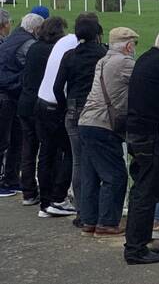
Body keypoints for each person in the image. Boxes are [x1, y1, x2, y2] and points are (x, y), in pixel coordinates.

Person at [123, 28, 159, 265]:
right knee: (146, 192)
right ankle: (136, 248)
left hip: (135, 132)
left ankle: (137, 241)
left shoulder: (145, 59)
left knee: (140, 190)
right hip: (149, 135)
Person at [76, 26, 138, 236]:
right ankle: (107, 223)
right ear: (129, 46)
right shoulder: (125, 63)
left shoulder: (102, 61)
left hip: (86, 121)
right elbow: (143, 82)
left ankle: (89, 220)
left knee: (91, 175)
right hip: (103, 124)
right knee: (115, 175)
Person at [37, 12, 98, 224]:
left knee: (47, 153)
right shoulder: (80, 48)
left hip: (42, 101)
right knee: (73, 157)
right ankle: (58, 199)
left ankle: (46, 202)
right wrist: (64, 108)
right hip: (58, 105)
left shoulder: (65, 43)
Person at [52, 14, 107, 224]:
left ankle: (82, 212)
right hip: (96, 111)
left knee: (78, 162)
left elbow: (58, 88)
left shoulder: (69, 56)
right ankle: (97, 211)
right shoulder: (102, 54)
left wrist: (66, 106)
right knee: (98, 162)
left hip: (73, 110)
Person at [17, 16, 68, 212]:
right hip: (41, 105)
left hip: (26, 101)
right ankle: (52, 195)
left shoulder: (34, 47)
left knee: (29, 150)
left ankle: (29, 192)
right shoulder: (53, 51)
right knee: (49, 152)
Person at [0, 12, 43, 196]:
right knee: (5, 140)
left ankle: (11, 179)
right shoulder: (29, 44)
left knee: (15, 140)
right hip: (9, 93)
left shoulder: (12, 39)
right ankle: (7, 180)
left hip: (12, 94)